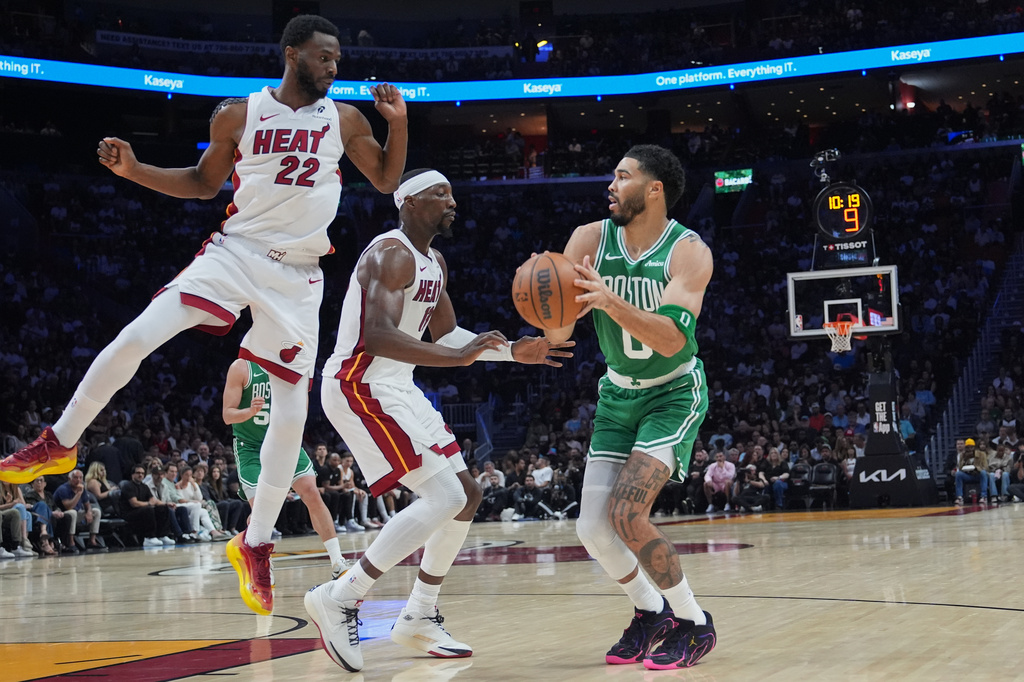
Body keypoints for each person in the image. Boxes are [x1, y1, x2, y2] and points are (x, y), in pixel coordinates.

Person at [0, 14, 407, 618]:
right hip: (237, 253)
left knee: (291, 416)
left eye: (337, 59)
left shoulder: (345, 118)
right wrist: (133, 170)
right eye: (324, 57)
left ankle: (256, 543)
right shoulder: (237, 114)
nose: (334, 67)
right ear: (291, 54)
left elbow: (385, 179)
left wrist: (396, 125)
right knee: (139, 333)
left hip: (299, 277)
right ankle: (58, 441)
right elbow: (200, 183)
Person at [304, 168, 573, 672]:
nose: (453, 202)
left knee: (468, 494)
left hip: (397, 385)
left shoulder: (434, 262)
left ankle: (419, 615)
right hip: (359, 383)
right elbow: (378, 336)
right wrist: (461, 359)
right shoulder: (390, 254)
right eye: (440, 194)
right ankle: (342, 595)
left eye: (453, 193)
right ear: (407, 202)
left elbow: (449, 338)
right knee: (444, 496)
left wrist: (515, 352)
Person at [544, 145, 717, 670]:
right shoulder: (590, 240)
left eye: (623, 175)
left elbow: (672, 342)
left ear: (655, 188)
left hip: (672, 391)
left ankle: (695, 622)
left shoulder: (688, 251)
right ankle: (651, 612)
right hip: (619, 394)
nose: (611, 184)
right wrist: (546, 302)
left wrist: (609, 300)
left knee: (626, 514)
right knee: (592, 529)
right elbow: (560, 331)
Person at [222, 357, 351, 579]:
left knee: (312, 494)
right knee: (261, 511)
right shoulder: (242, 367)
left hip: (285, 441)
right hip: (251, 447)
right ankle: (260, 564)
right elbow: (227, 415)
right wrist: (248, 413)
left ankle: (337, 561)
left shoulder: (294, 364)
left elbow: (301, 409)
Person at [120, 465, 176, 547]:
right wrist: (149, 503)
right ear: (132, 474)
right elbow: (134, 503)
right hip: (129, 512)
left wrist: (166, 504)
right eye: (138, 473)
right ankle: (149, 537)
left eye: (142, 473)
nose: (140, 475)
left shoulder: (144, 486)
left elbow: (154, 500)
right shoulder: (128, 486)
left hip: (142, 511)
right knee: (148, 509)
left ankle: (162, 535)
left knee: (162, 508)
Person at [53, 469, 106, 552]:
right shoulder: (63, 489)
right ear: (69, 479)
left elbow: (87, 504)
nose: (78, 480)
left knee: (96, 511)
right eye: (75, 478)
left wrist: (88, 512)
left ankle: (92, 541)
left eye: (80, 478)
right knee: (72, 512)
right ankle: (71, 542)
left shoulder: (82, 488)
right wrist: (78, 494)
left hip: (77, 514)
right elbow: (68, 507)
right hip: (63, 515)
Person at [954, 438, 989, 506]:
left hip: (978, 475)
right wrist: (965, 460)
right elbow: (960, 468)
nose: (969, 449)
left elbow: (985, 467)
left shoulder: (982, 454)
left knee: (984, 473)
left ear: (974, 447)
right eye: (967, 447)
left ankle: (983, 496)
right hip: (968, 475)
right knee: (958, 474)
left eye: (971, 447)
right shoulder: (962, 455)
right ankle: (959, 497)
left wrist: (976, 468)